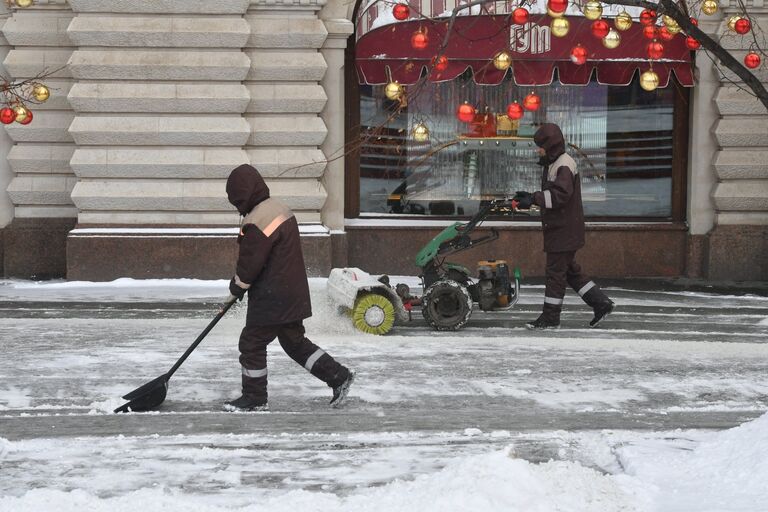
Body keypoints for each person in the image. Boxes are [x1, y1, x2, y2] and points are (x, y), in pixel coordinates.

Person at [225, 163, 355, 411]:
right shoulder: (278, 208)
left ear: (241, 195)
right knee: (294, 342)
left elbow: (250, 263)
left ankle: (254, 398)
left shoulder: (257, 221)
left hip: (272, 297)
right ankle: (338, 376)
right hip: (291, 293)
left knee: (251, 343)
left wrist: (237, 286)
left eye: (236, 201)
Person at [512, 123, 615, 329]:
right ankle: (601, 303)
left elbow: (560, 195)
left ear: (550, 146)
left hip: (563, 230)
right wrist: (531, 197)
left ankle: (550, 318)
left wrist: (533, 198)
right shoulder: (555, 162)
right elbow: (554, 194)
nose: (537, 150)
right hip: (563, 228)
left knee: (555, 274)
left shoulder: (563, 164)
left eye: (540, 146)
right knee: (569, 271)